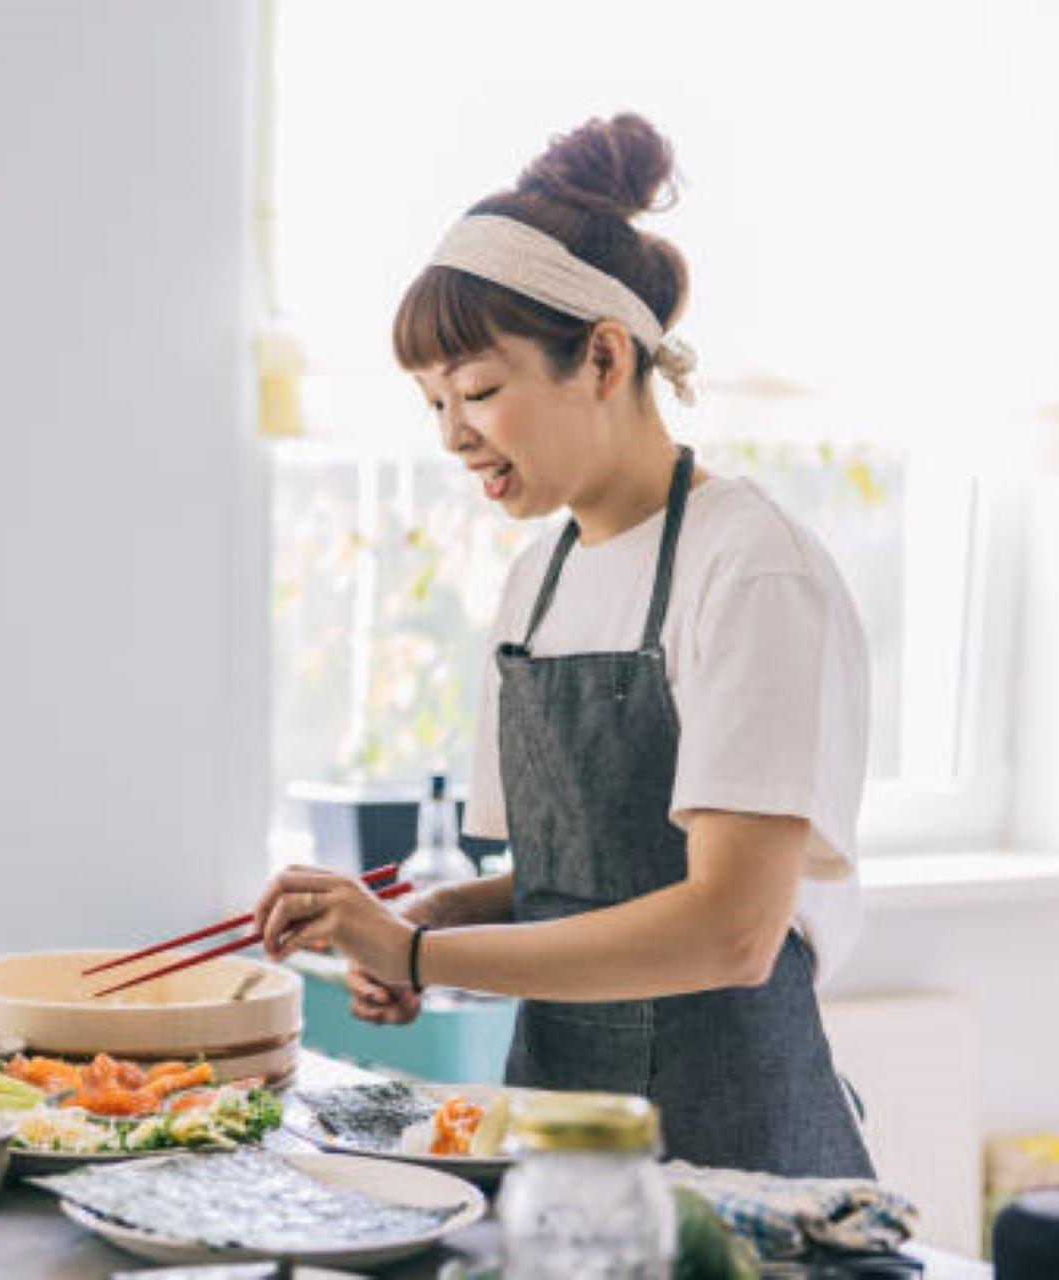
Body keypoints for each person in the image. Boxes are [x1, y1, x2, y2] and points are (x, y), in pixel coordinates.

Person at [253, 114, 873, 1178]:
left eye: (478, 390)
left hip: (736, 1154)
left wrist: (420, 951)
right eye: (433, 402)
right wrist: (420, 919)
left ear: (603, 354)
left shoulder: (749, 564)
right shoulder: (536, 581)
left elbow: (733, 928)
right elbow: (571, 882)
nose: (453, 435)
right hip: (558, 1134)